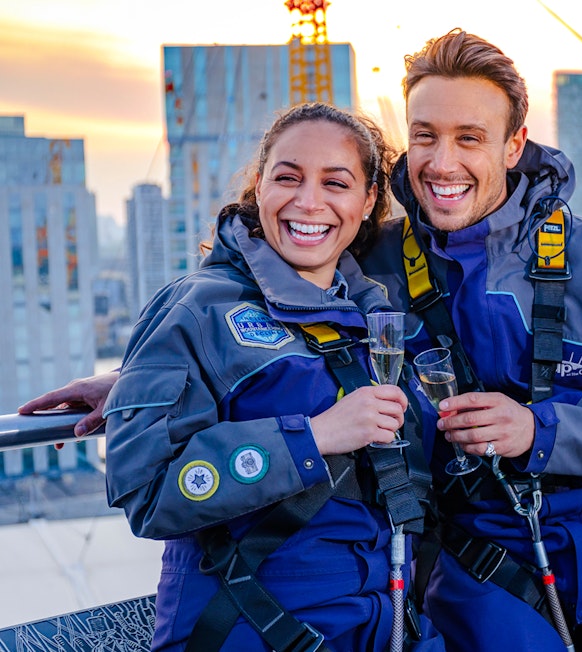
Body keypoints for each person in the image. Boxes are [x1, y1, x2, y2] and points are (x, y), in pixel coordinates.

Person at [21, 29, 582, 652]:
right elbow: (275, 325)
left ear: (513, 144)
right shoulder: (372, 255)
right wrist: (145, 385)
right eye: (426, 136)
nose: (441, 162)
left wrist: (537, 428)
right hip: (468, 562)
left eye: (469, 137)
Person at [41, 103, 443, 651]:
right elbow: (148, 490)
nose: (309, 201)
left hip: (380, 620)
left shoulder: (374, 317)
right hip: (253, 626)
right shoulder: (197, 308)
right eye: (288, 177)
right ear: (259, 186)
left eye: (336, 182)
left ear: (368, 199)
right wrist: (314, 436)